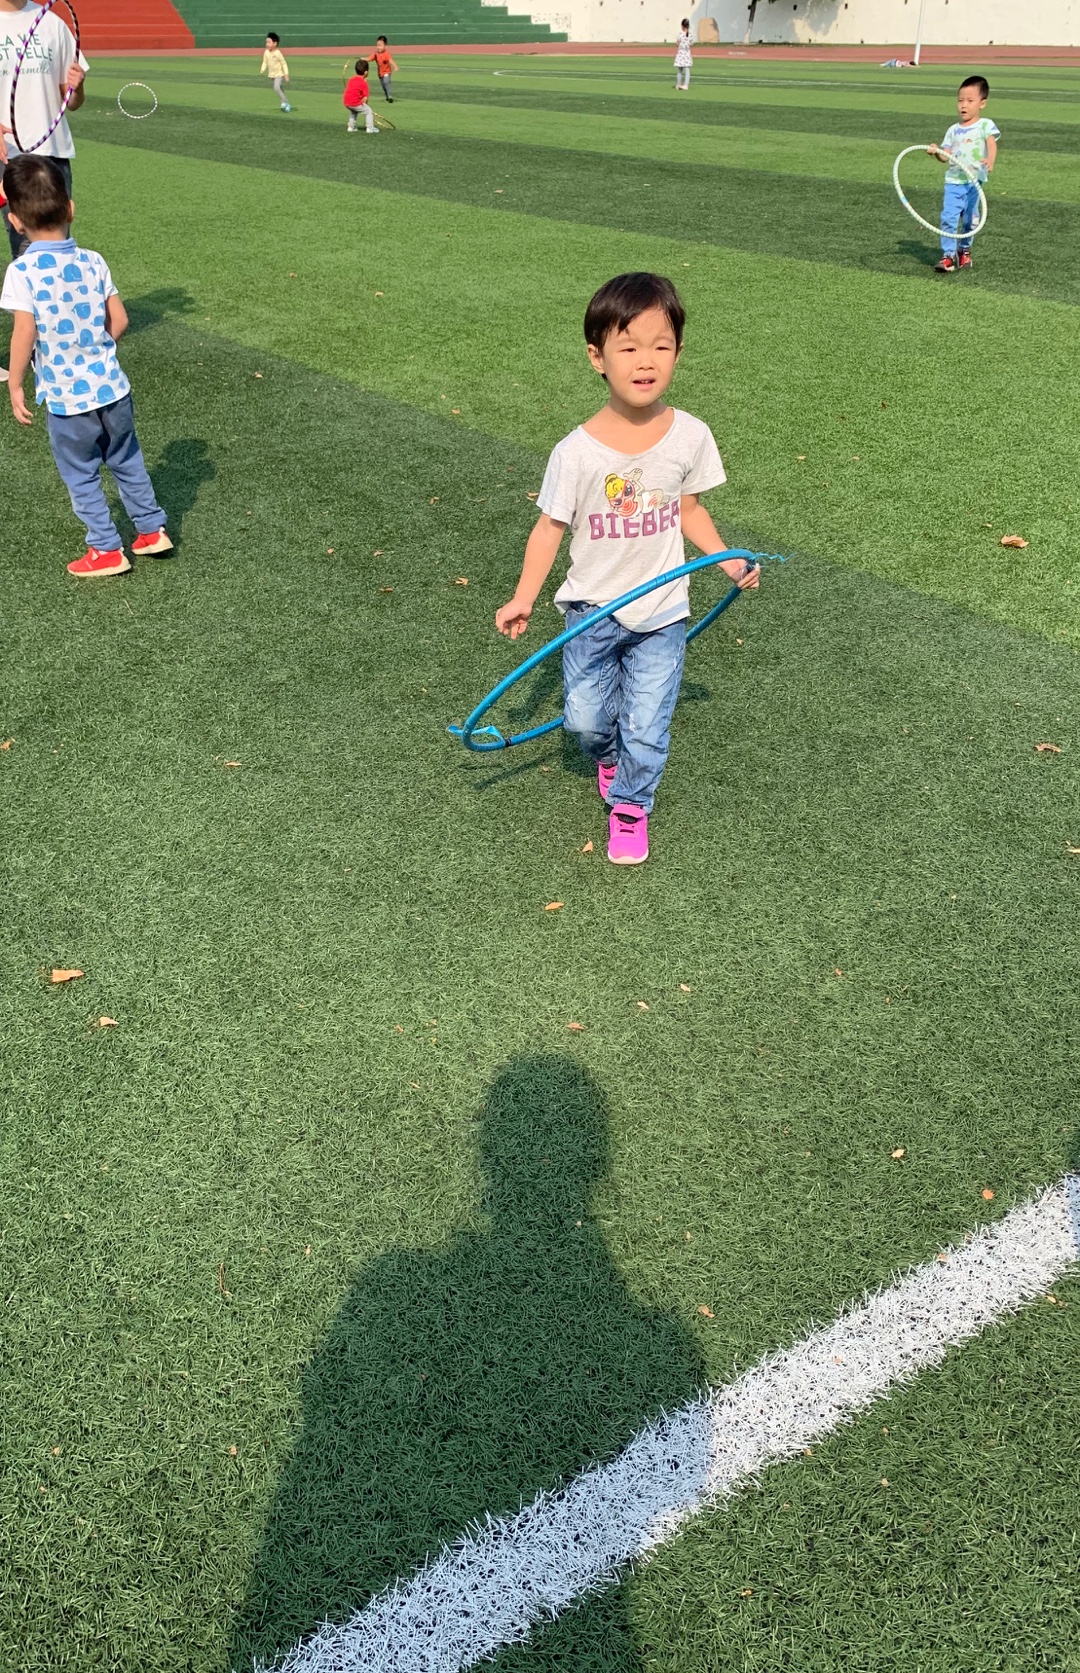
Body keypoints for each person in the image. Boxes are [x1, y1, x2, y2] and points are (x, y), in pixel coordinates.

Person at [494, 272, 757, 866]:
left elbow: (689, 510)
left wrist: (727, 559)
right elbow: (549, 529)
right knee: (586, 722)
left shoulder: (690, 436)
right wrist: (524, 597)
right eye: (629, 346)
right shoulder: (576, 453)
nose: (646, 361)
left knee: (646, 723)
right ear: (598, 358)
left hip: (663, 612)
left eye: (661, 345)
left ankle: (632, 806)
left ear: (678, 352)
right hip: (592, 610)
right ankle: (609, 759)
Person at [1, 154, 171, 577]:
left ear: (15, 221)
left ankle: (105, 549)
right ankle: (151, 530)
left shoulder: (22, 271)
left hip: (67, 400)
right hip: (113, 389)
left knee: (81, 474)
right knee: (126, 458)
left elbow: (25, 332)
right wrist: (95, 350)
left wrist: (15, 382)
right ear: (71, 209)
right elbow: (121, 321)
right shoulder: (93, 260)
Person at [0, 0, 88, 262]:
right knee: (24, 246)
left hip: (51, 153)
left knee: (48, 248)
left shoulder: (52, 23)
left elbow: (71, 101)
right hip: (6, 154)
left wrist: (77, 87)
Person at [929, 75, 998, 274]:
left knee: (970, 221)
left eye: (969, 100)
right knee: (949, 218)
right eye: (960, 100)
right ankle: (948, 255)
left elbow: (992, 144)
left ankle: (964, 250)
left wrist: (990, 160)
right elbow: (945, 156)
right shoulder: (953, 130)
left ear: (982, 103)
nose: (963, 105)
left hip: (974, 183)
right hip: (954, 182)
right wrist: (937, 152)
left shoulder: (985, 125)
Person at [259, 31, 291, 113]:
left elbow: (283, 63)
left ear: (275, 43)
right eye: (266, 42)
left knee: (276, 87)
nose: (267, 44)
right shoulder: (266, 52)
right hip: (272, 75)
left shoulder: (278, 53)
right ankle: (285, 103)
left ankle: (284, 101)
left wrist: (286, 74)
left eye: (269, 42)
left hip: (279, 74)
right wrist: (262, 69)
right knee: (280, 89)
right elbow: (265, 61)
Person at [343, 59, 377, 135]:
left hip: (347, 102)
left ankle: (351, 127)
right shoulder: (364, 83)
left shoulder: (351, 79)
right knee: (368, 111)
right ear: (366, 72)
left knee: (354, 111)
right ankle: (370, 128)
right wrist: (364, 105)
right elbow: (365, 98)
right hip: (355, 103)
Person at [372, 35, 397, 103]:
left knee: (386, 82)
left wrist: (395, 66)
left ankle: (390, 96)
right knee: (383, 85)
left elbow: (390, 60)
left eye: (380, 45)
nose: (379, 47)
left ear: (385, 46)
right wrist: (362, 59)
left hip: (387, 71)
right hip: (380, 73)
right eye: (378, 45)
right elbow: (369, 58)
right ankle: (387, 96)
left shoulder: (386, 54)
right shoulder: (376, 54)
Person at [674, 18, 693, 91]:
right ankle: (686, 84)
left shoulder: (680, 34)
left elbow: (677, 43)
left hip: (681, 53)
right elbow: (691, 44)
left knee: (680, 70)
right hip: (687, 53)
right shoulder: (690, 35)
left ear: (682, 26)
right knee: (687, 69)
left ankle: (678, 84)